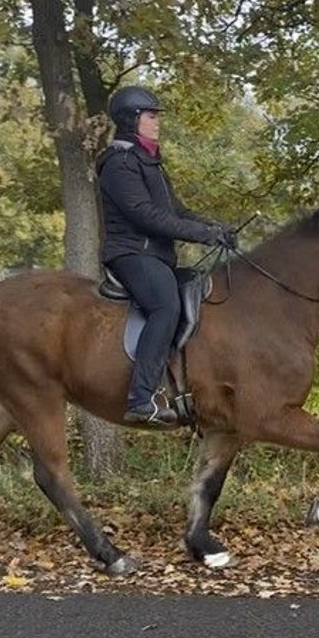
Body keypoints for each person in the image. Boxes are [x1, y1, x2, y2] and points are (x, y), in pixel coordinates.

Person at [96, 85, 236, 427]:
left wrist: (214, 227)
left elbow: (176, 210)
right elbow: (144, 215)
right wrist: (201, 235)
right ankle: (141, 398)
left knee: (199, 290)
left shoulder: (150, 161)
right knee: (166, 306)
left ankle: (186, 387)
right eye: (152, 116)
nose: (157, 122)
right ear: (132, 120)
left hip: (155, 256)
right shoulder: (120, 162)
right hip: (131, 253)